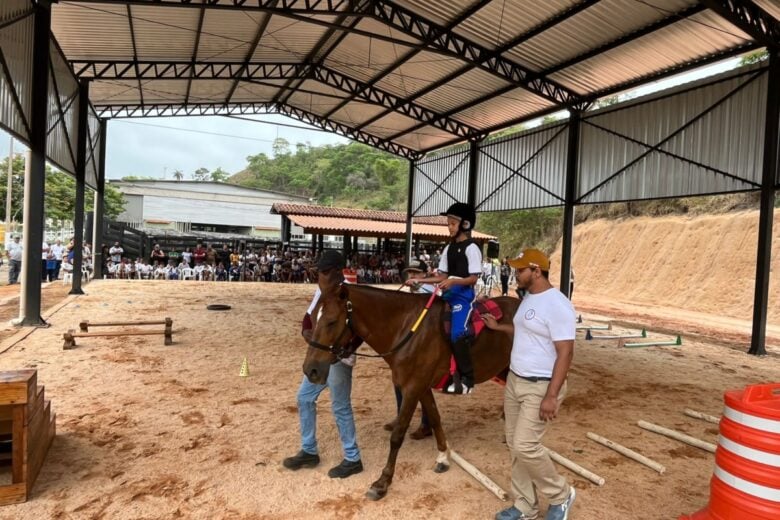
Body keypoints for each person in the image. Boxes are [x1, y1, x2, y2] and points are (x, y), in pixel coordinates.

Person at [483, 248, 576, 520]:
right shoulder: (528, 298)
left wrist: (552, 395)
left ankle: (561, 495)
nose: (516, 274)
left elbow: (565, 352)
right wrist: (499, 328)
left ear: (536, 271)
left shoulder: (558, 304)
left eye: (521, 270)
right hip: (516, 381)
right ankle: (526, 506)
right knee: (515, 445)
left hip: (541, 385)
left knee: (525, 445)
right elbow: (526, 330)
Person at [282, 250, 363, 479]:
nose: (321, 277)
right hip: (321, 354)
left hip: (338, 356)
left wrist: (348, 349)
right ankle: (309, 450)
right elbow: (309, 315)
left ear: (338, 272)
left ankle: (352, 457)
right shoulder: (323, 289)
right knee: (304, 397)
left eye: (325, 272)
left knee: (340, 405)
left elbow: (360, 329)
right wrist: (306, 331)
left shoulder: (350, 293)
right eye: (320, 272)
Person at [404, 202, 481, 394]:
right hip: (447, 293)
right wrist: (419, 281)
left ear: (465, 224)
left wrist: (454, 282)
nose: (449, 226)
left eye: (453, 223)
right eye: (448, 223)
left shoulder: (472, 248)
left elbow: (473, 278)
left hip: (463, 297)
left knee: (457, 333)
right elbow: (442, 276)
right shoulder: (448, 248)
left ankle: (468, 379)